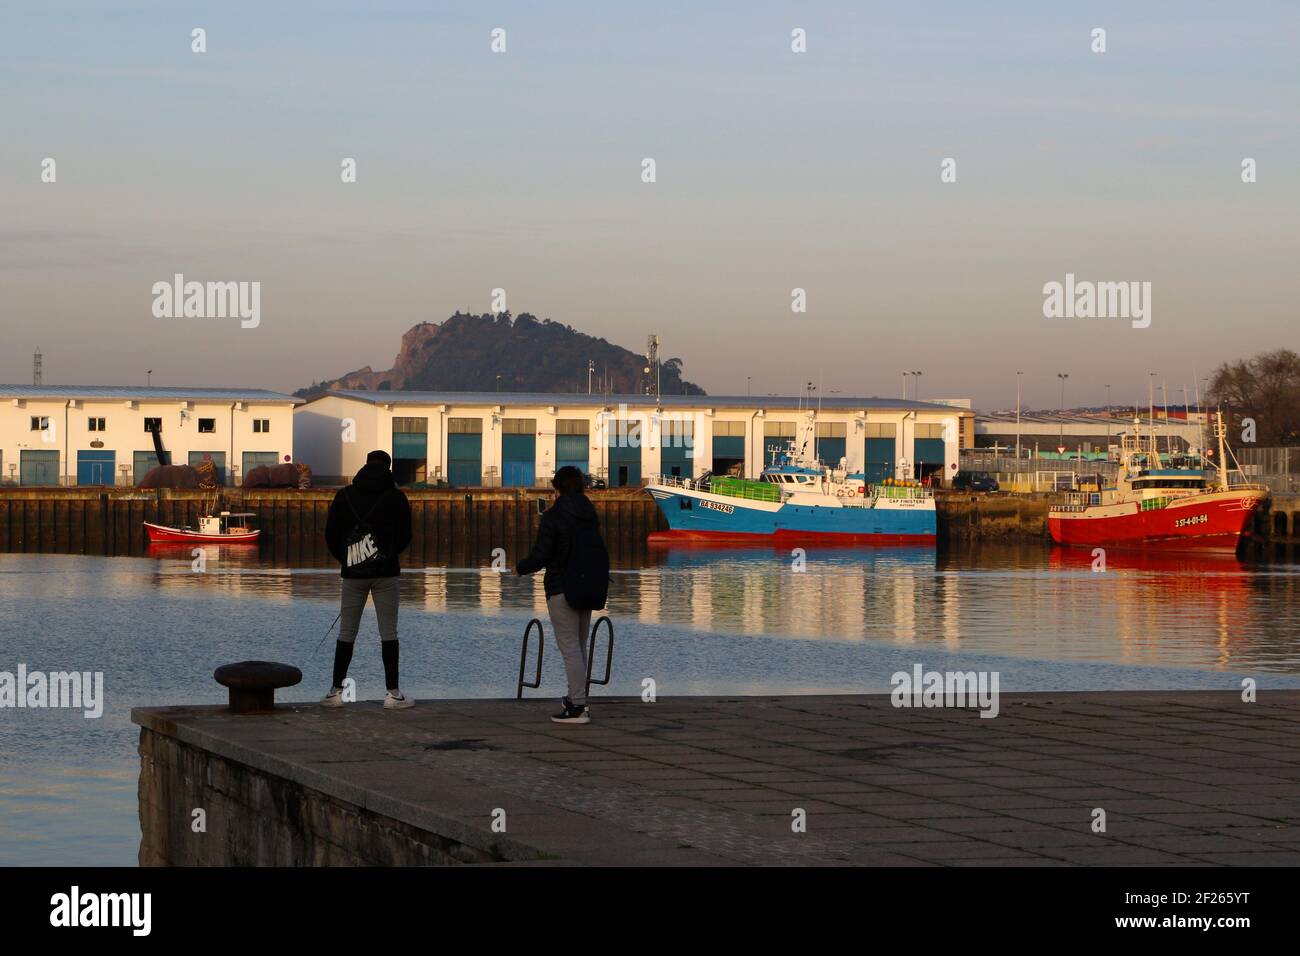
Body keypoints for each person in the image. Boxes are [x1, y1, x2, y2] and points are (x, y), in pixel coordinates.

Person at [321, 450, 415, 709]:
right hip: (386, 574)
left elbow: (331, 534)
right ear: (389, 467)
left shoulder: (345, 495)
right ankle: (393, 694)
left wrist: (348, 559)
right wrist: (388, 555)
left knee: (346, 632)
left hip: (353, 574)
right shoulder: (396, 497)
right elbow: (406, 534)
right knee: (389, 633)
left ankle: (335, 692)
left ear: (365, 465)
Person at [515, 465, 609, 724]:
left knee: (569, 649)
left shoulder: (553, 516)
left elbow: (542, 555)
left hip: (561, 587)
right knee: (579, 647)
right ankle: (574, 698)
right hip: (588, 584)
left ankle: (578, 706)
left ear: (556, 487)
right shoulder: (590, 513)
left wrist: (520, 568)